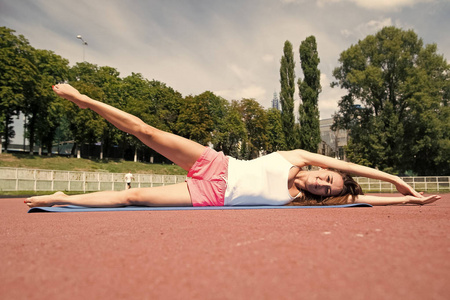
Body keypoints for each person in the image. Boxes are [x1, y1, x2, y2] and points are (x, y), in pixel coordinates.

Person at [25, 84, 441, 208]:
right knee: (145, 132)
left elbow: (360, 204)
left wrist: (406, 203)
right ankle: (83, 99)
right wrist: (393, 178)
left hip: (211, 194)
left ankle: (66, 197)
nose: (319, 183)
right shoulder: (299, 156)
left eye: (323, 190)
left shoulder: (297, 202)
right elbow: (358, 174)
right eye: (326, 178)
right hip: (215, 162)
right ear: (325, 170)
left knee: (134, 197)